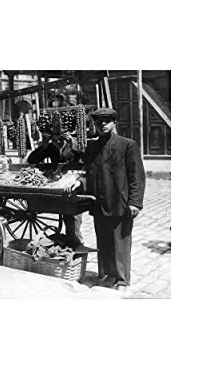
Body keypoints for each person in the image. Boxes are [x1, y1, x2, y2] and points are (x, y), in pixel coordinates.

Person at [65, 107, 146, 292]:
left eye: (106, 121)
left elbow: (137, 176)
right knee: (104, 241)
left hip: (120, 203)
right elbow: (89, 173)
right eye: (98, 122)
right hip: (99, 202)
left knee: (120, 243)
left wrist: (135, 202)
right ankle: (109, 275)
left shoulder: (127, 145)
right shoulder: (92, 147)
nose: (102, 125)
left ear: (114, 123)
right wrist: (80, 182)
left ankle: (122, 280)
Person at [27, 131, 84, 247]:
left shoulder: (73, 145)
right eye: (54, 140)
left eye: (60, 140)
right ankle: (68, 242)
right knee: (63, 210)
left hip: (73, 181)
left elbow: (84, 158)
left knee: (72, 215)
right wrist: (43, 146)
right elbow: (32, 160)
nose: (57, 142)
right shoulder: (51, 147)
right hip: (57, 182)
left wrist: (73, 144)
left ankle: (77, 243)